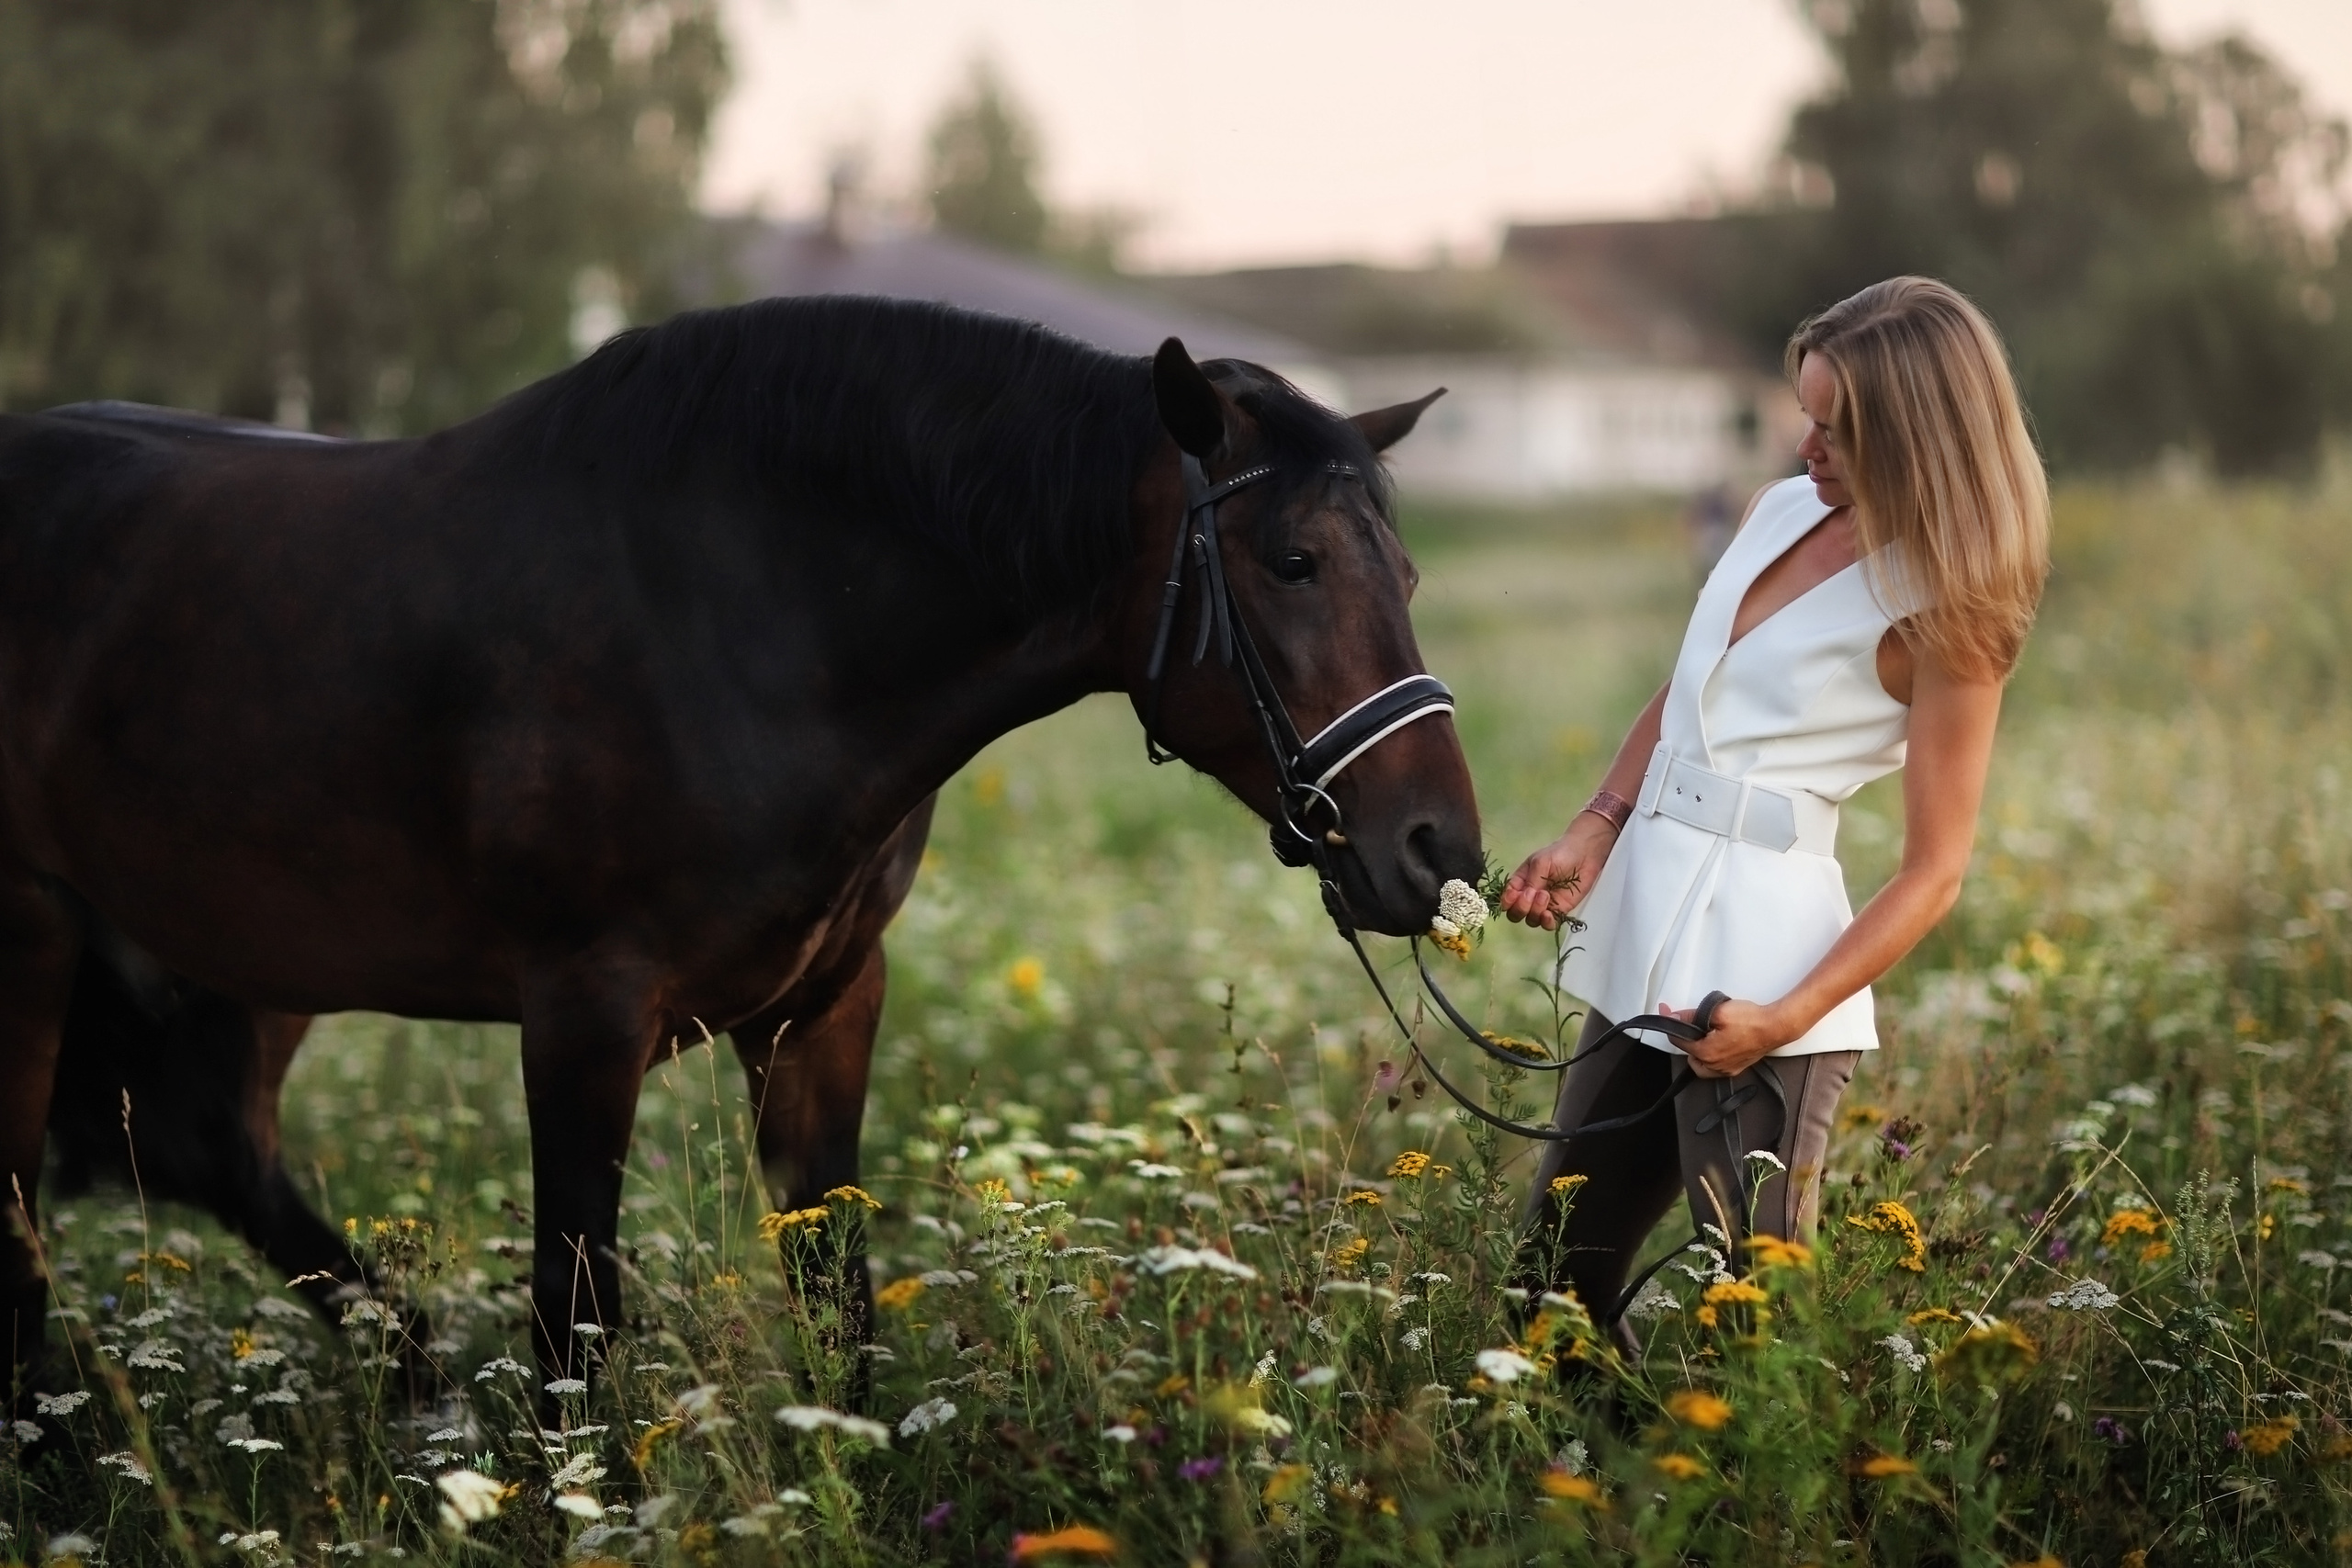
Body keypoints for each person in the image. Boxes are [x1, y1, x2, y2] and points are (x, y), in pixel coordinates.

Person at [1498, 276, 2050, 1334]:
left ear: (1919, 440)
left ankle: (1766, 1504)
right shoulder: (1777, 511)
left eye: (1839, 431)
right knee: (1551, 1289)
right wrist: (1596, 824)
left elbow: (1935, 871)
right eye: (1807, 414)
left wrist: (1785, 1019)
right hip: (1643, 936)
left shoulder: (1952, 608)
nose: (1808, 446)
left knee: (1755, 1326)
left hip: (1768, 985)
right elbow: (1690, 686)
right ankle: (1592, 1491)